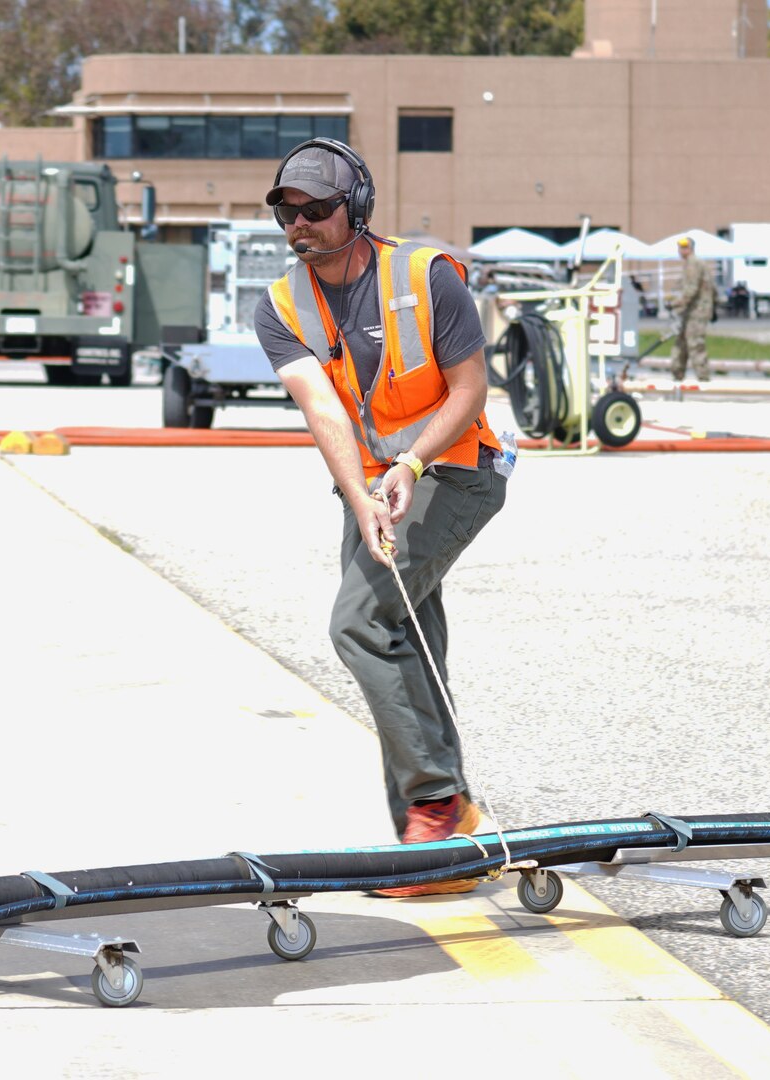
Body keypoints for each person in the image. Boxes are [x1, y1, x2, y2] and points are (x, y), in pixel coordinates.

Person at [252, 138, 508, 894]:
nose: (300, 223)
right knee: (407, 633)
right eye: (286, 210)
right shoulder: (280, 305)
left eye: (317, 208)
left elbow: (469, 391)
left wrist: (408, 465)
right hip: (370, 485)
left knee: (358, 624)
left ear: (355, 209)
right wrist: (360, 495)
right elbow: (321, 410)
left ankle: (433, 802)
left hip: (454, 471)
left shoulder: (425, 278)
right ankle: (440, 830)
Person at [671, 236, 716, 380]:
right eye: (680, 247)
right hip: (692, 311)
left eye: (685, 247)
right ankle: (678, 376)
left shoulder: (693, 263)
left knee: (695, 344)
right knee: (681, 344)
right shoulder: (694, 263)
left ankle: (703, 379)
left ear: (691, 249)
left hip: (696, 312)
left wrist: (677, 303)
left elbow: (692, 288)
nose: (682, 250)